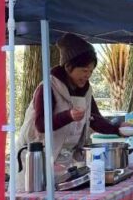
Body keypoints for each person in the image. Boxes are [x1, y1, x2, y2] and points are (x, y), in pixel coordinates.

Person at [17, 33, 123, 169]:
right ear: (68, 67)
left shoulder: (85, 91)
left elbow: (94, 119)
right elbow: (41, 124)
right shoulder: (48, 87)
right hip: (35, 157)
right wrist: (68, 116)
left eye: (91, 71)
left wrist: (118, 128)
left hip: (63, 159)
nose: (88, 75)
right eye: (84, 70)